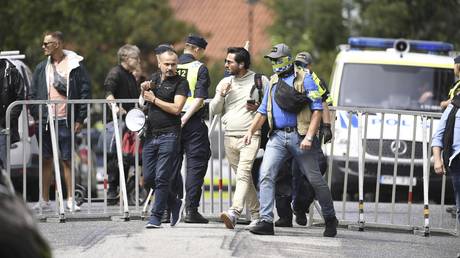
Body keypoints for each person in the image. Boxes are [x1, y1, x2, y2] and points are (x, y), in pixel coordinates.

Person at [243, 43, 338, 236]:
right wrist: (250, 131)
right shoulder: (273, 81)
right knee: (266, 174)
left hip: (300, 135)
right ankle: (266, 221)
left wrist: (310, 136)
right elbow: (262, 110)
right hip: (277, 137)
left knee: (314, 179)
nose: (275, 64)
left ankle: (330, 218)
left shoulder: (306, 78)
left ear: (287, 59)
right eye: (272, 61)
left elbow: (317, 109)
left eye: (277, 60)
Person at [30, 31, 91, 212]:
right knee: (46, 159)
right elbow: (33, 94)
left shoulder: (75, 66)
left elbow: (85, 92)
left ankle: (71, 199)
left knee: (67, 159)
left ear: (57, 44)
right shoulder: (42, 67)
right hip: (45, 120)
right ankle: (44, 200)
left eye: (46, 43)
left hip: (66, 120)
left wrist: (80, 118)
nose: (43, 46)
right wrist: (37, 113)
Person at [210, 47, 269, 230]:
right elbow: (214, 110)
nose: (226, 65)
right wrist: (221, 94)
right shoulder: (225, 82)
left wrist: (258, 106)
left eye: (230, 62)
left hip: (250, 135)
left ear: (241, 64)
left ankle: (234, 212)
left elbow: (269, 106)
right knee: (245, 178)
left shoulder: (261, 80)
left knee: (243, 174)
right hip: (229, 137)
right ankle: (257, 214)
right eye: (226, 61)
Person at [274, 51, 333, 227]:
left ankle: (300, 206)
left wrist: (327, 126)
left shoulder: (314, 80)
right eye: (298, 64)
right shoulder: (285, 77)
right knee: (285, 174)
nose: (301, 67)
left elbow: (324, 103)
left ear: (310, 66)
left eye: (304, 65)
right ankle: (284, 216)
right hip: (286, 132)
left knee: (316, 168)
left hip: (306, 132)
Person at [141, 48, 189, 228]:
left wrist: (154, 100)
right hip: (151, 134)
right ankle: (174, 202)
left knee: (162, 177)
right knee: (148, 177)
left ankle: (156, 216)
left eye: (173, 64)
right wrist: (144, 91)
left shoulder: (181, 82)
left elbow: (177, 109)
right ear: (159, 63)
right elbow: (144, 101)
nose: (170, 67)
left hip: (170, 133)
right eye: (166, 64)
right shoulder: (154, 78)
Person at [170, 35, 211, 224]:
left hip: (170, 121)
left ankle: (166, 209)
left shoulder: (170, 65)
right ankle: (191, 211)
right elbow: (200, 97)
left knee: (170, 165)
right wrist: (186, 117)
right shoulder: (199, 68)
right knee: (195, 165)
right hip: (192, 122)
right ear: (197, 50)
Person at [101, 44, 141, 205]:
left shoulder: (130, 75)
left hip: (129, 122)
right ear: (125, 58)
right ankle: (112, 189)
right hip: (116, 122)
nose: (138, 61)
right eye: (135, 58)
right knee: (114, 156)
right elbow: (108, 91)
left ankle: (122, 188)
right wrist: (116, 107)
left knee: (126, 157)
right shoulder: (116, 73)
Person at [0, 58, 24, 170]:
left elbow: (19, 98)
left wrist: (8, 120)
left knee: (3, 166)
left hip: (3, 128)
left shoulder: (11, 72)